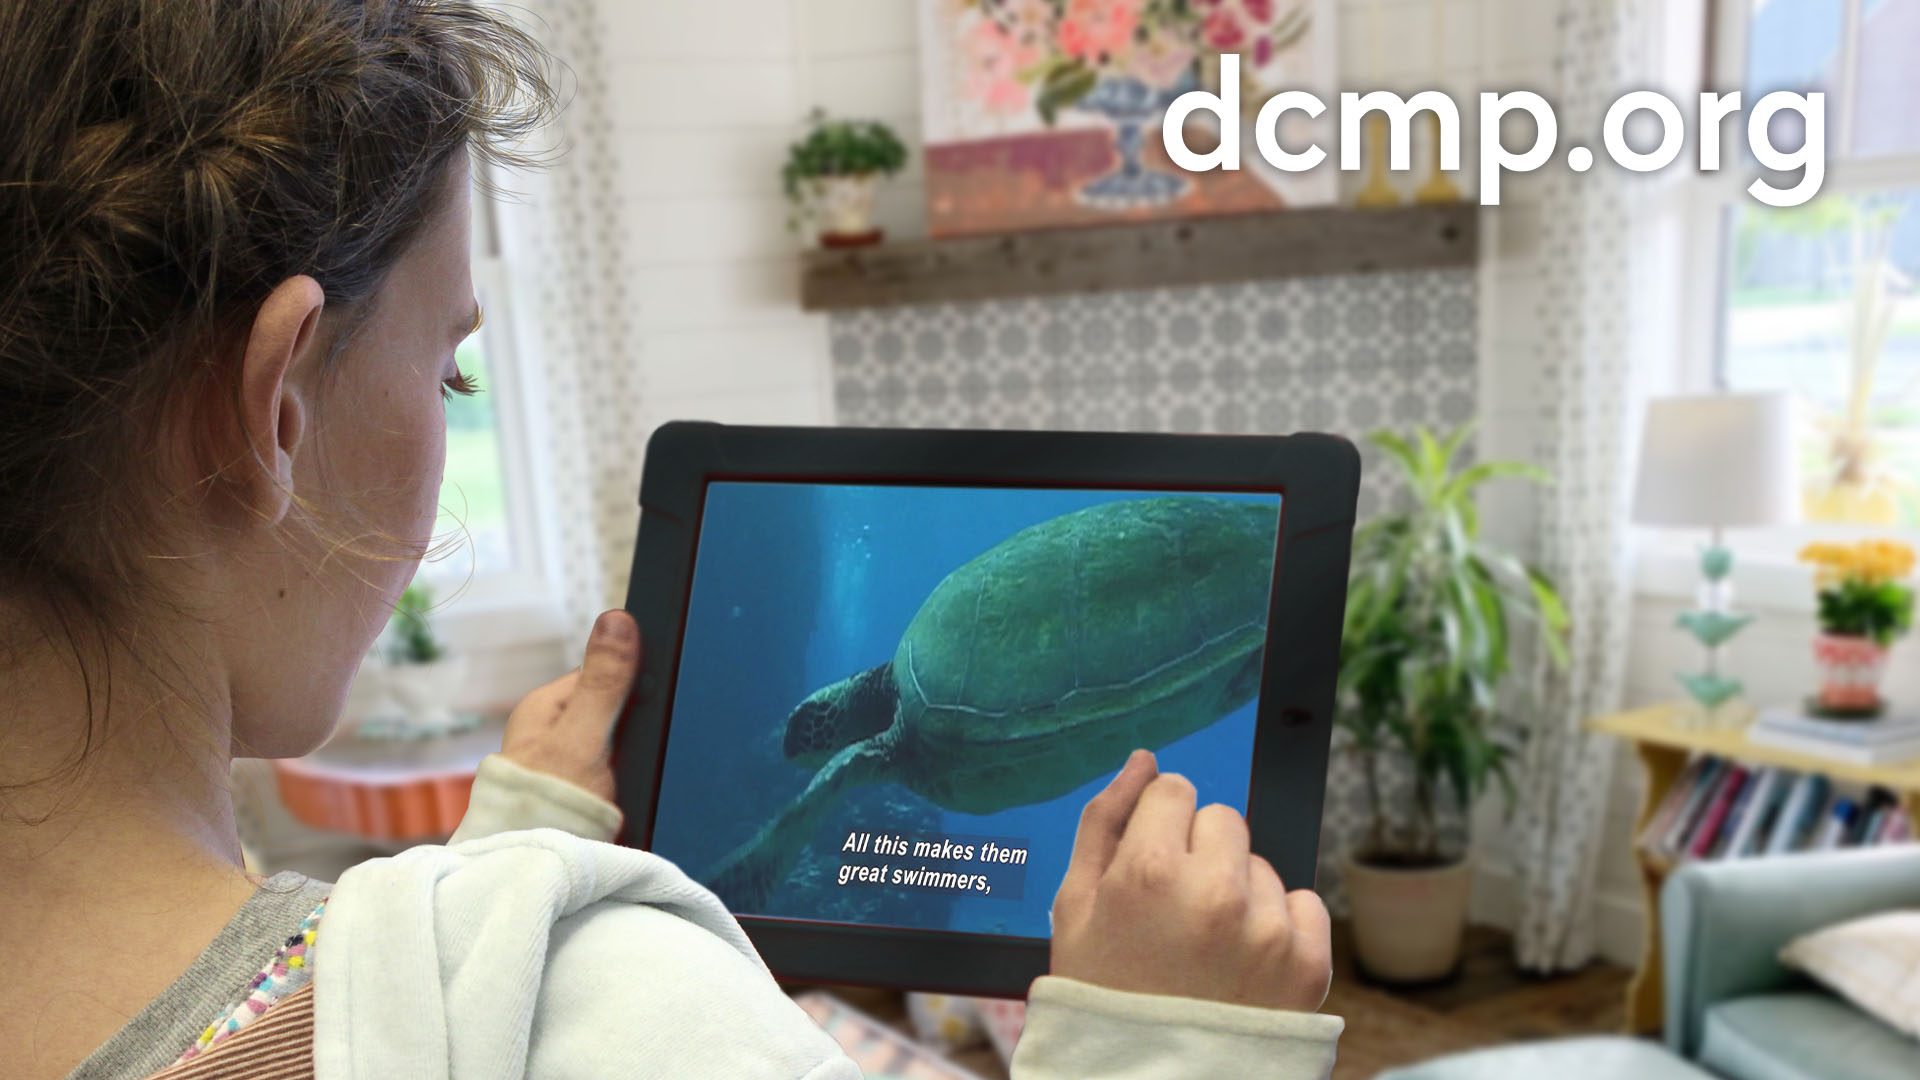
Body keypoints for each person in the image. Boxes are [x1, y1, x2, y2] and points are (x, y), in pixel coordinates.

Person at [0, 2, 1344, 1078]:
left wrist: (504, 868)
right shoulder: (623, 1009)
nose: (450, 401)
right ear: (275, 409)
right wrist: (1168, 1047)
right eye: (451, 370)